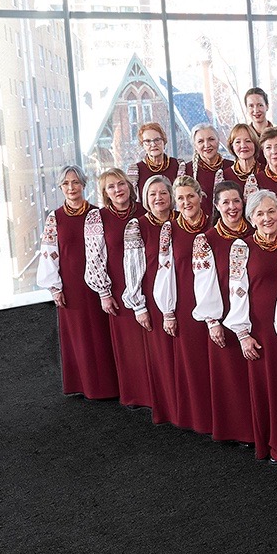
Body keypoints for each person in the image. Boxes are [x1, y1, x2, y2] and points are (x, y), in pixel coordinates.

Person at [225, 189, 277, 464]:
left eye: (271, 211)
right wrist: (243, 334)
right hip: (261, 330)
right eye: (259, 213)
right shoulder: (242, 248)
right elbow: (237, 290)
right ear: (251, 218)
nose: (267, 218)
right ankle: (275, 445)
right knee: (269, 388)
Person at [39, 164, 116, 400]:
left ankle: (109, 386)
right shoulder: (55, 218)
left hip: (97, 284)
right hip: (70, 286)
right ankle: (84, 385)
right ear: (61, 187)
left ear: (84, 184)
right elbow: (49, 252)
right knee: (79, 337)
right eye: (66, 183)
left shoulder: (97, 213)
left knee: (101, 334)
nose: (71, 187)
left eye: (75, 182)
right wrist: (55, 287)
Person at [86, 168, 153, 410]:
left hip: (149, 284)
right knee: (129, 344)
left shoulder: (146, 212)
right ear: (105, 193)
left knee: (152, 340)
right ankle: (136, 395)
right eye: (111, 186)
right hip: (118, 287)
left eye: (121, 184)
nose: (118, 189)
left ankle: (158, 394)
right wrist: (104, 293)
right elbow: (94, 257)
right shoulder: (98, 218)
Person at [203, 182, 256, 446]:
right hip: (223, 314)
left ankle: (258, 429)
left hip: (253, 316)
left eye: (236, 201)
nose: (232, 207)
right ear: (216, 206)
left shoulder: (256, 231)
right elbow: (205, 283)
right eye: (226, 202)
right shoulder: (208, 240)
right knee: (231, 375)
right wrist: (213, 322)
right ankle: (238, 431)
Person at [163, 176, 216, 434]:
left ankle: (221, 418)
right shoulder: (170, 230)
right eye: (181, 198)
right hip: (185, 304)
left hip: (217, 303)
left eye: (190, 196)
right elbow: (166, 273)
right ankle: (200, 420)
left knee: (218, 363)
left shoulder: (215, 224)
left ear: (200, 196)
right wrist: (168, 312)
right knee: (194, 362)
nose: (186, 202)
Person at [137, 175, 179, 424]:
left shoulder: (181, 221)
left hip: (183, 296)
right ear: (145, 198)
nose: (158, 198)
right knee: (162, 354)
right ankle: (168, 410)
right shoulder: (139, 226)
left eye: (163, 193)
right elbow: (134, 269)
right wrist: (140, 306)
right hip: (156, 299)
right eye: (152, 194)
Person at [182, 124, 228, 207]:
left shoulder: (231, 167)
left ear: (218, 141)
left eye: (211, 139)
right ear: (195, 146)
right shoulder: (186, 170)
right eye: (200, 141)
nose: (207, 145)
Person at [132, 122, 178, 193]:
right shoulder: (136, 170)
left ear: (164, 141)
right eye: (147, 141)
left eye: (157, 140)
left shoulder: (177, 165)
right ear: (142, 145)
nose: (153, 144)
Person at [226, 123, 261, 189]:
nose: (243, 146)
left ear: (255, 144)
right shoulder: (225, 175)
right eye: (238, 142)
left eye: (248, 141)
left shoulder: (266, 172)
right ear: (232, 146)